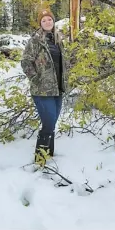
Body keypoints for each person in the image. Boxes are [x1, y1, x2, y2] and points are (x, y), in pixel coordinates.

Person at [21, 9, 68, 164]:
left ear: (53, 21)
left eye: (49, 19)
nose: (47, 22)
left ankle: (50, 155)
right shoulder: (35, 40)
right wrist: (36, 79)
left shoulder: (58, 40)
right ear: (40, 24)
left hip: (58, 89)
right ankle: (40, 159)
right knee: (48, 123)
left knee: (52, 122)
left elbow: (62, 63)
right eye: (44, 20)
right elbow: (26, 62)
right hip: (42, 90)